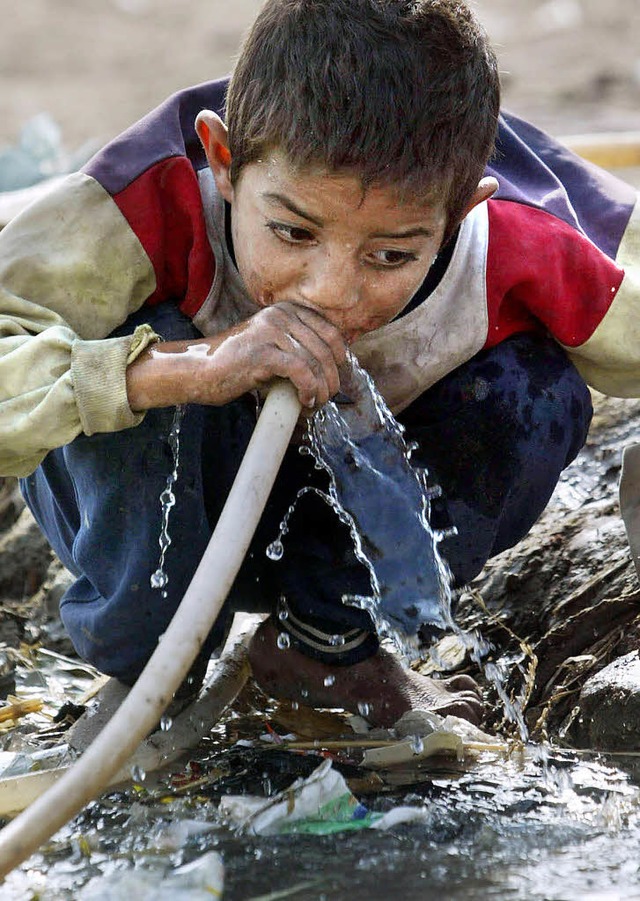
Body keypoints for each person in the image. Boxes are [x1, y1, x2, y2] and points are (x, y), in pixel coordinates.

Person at [0, 0, 636, 729]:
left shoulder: (541, 234)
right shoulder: (141, 196)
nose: (330, 292)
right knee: (137, 340)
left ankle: (327, 643)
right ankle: (147, 663)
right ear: (224, 159)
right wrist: (189, 367)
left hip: (334, 517)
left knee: (541, 391)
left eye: (390, 254)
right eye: (293, 231)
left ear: (463, 210)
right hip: (174, 509)